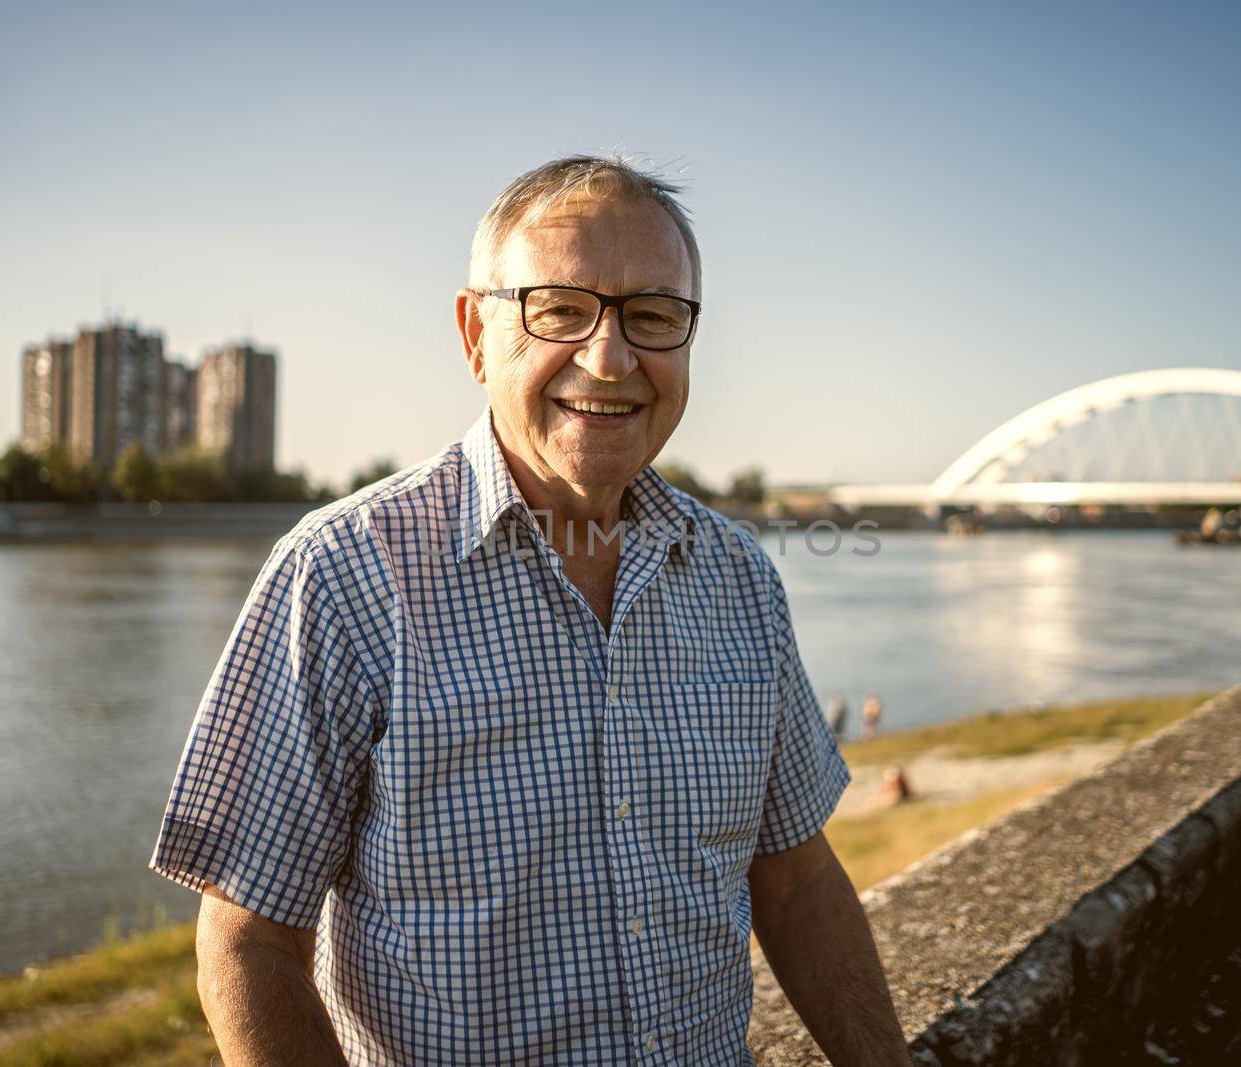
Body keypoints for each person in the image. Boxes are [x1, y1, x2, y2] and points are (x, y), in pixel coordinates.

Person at [148, 155, 907, 1065]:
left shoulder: (739, 576)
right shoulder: (343, 574)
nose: (610, 358)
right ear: (476, 333)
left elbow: (796, 880)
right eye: (558, 308)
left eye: (654, 315)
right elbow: (248, 941)